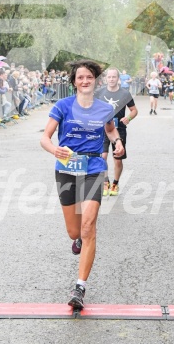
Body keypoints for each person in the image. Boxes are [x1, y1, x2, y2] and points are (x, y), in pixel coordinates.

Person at [40, 59, 124, 310]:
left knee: (88, 227)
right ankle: (77, 240)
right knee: (75, 232)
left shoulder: (103, 108)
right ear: (74, 82)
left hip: (93, 168)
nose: (85, 81)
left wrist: (117, 142)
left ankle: (80, 287)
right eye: (80, 77)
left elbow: (110, 131)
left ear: (95, 80)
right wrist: (56, 150)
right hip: (67, 168)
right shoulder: (63, 106)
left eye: (89, 77)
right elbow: (44, 138)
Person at [95, 67, 138, 196]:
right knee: (102, 157)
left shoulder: (125, 94)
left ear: (118, 79)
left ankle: (115, 184)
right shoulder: (99, 93)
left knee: (117, 159)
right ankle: (105, 182)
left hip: (119, 130)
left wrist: (128, 117)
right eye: (109, 77)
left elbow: (134, 110)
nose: (111, 79)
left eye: (114, 77)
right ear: (106, 78)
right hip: (103, 129)